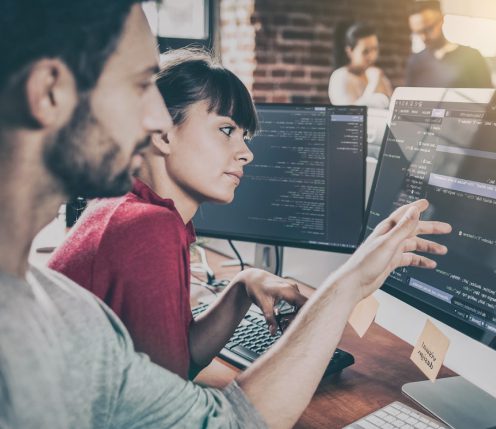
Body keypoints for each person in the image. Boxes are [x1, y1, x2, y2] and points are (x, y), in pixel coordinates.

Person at [0, 1, 452, 428]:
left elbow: (200, 402)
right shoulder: (140, 228)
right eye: (140, 85)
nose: (157, 121)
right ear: (50, 92)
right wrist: (348, 282)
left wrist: (239, 288)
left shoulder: (57, 304)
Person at [48, 48, 308, 380]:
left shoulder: (130, 207)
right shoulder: (146, 227)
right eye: (226, 130)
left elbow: (181, 361)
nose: (247, 154)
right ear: (162, 132)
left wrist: (242, 286)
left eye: (245, 136)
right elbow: (170, 401)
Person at [405, 0, 493, 88]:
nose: (424, 37)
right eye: (418, 32)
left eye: (428, 29)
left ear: (442, 19)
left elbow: (489, 97)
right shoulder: (415, 61)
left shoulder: (472, 56)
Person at [328, 22, 393, 108]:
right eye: (365, 51)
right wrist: (374, 82)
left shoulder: (378, 75)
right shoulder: (340, 77)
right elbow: (349, 115)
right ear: (350, 51)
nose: (372, 56)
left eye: (375, 49)